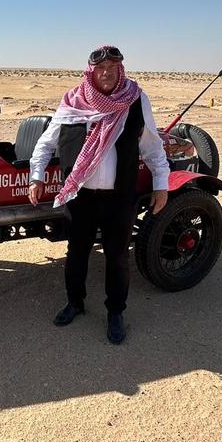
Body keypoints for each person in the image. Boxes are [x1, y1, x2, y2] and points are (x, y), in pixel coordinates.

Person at [28, 45, 170, 344]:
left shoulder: (135, 99)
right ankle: (75, 303)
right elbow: (46, 143)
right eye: (101, 68)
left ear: (121, 69)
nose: (107, 72)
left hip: (119, 197)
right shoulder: (72, 101)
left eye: (113, 67)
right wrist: (36, 175)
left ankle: (115, 312)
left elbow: (153, 146)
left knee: (117, 258)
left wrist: (161, 183)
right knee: (76, 253)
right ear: (92, 71)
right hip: (80, 197)